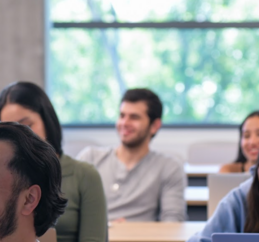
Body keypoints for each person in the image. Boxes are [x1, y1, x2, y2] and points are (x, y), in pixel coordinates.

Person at [0, 81, 107, 242]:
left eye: (27, 126)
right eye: (9, 131)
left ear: (47, 121)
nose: (19, 137)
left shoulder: (84, 175)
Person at [77, 88, 186, 222]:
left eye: (134, 117)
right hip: (91, 241)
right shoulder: (90, 158)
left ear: (155, 126)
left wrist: (132, 230)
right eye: (122, 116)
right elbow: (67, 210)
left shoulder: (169, 167)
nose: (124, 123)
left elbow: (173, 223)